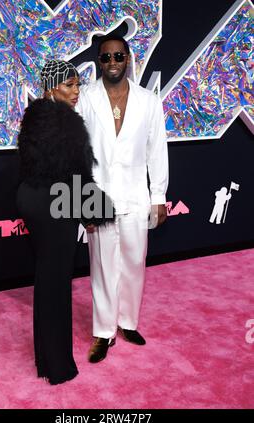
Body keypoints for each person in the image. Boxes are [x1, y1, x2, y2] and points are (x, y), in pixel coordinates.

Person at [16, 60, 114, 384]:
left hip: (33, 198)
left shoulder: (36, 116)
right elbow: (76, 175)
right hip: (54, 204)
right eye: (69, 85)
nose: (76, 92)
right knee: (56, 281)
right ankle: (58, 367)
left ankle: (47, 360)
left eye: (77, 85)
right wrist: (92, 212)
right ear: (51, 86)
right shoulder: (64, 122)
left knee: (47, 278)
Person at [77, 35, 169, 363]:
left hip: (135, 195)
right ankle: (104, 331)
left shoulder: (149, 101)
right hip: (98, 195)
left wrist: (158, 195)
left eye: (118, 56)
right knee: (102, 267)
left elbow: (156, 150)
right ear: (99, 61)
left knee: (133, 262)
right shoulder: (85, 98)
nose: (112, 62)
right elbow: (77, 152)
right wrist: (82, 201)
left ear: (128, 58)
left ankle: (127, 322)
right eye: (105, 58)